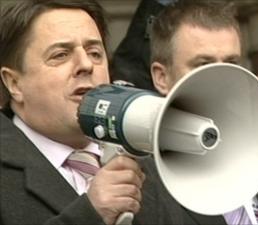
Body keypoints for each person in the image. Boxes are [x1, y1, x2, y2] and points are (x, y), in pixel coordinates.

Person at [0, 1, 186, 225]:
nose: (86, 64)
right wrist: (90, 214)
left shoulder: (152, 165)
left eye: (95, 53)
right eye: (60, 55)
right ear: (14, 83)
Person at [146, 1, 258, 224]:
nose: (224, 75)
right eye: (204, 64)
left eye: (232, 62)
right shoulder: (142, 186)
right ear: (161, 77)